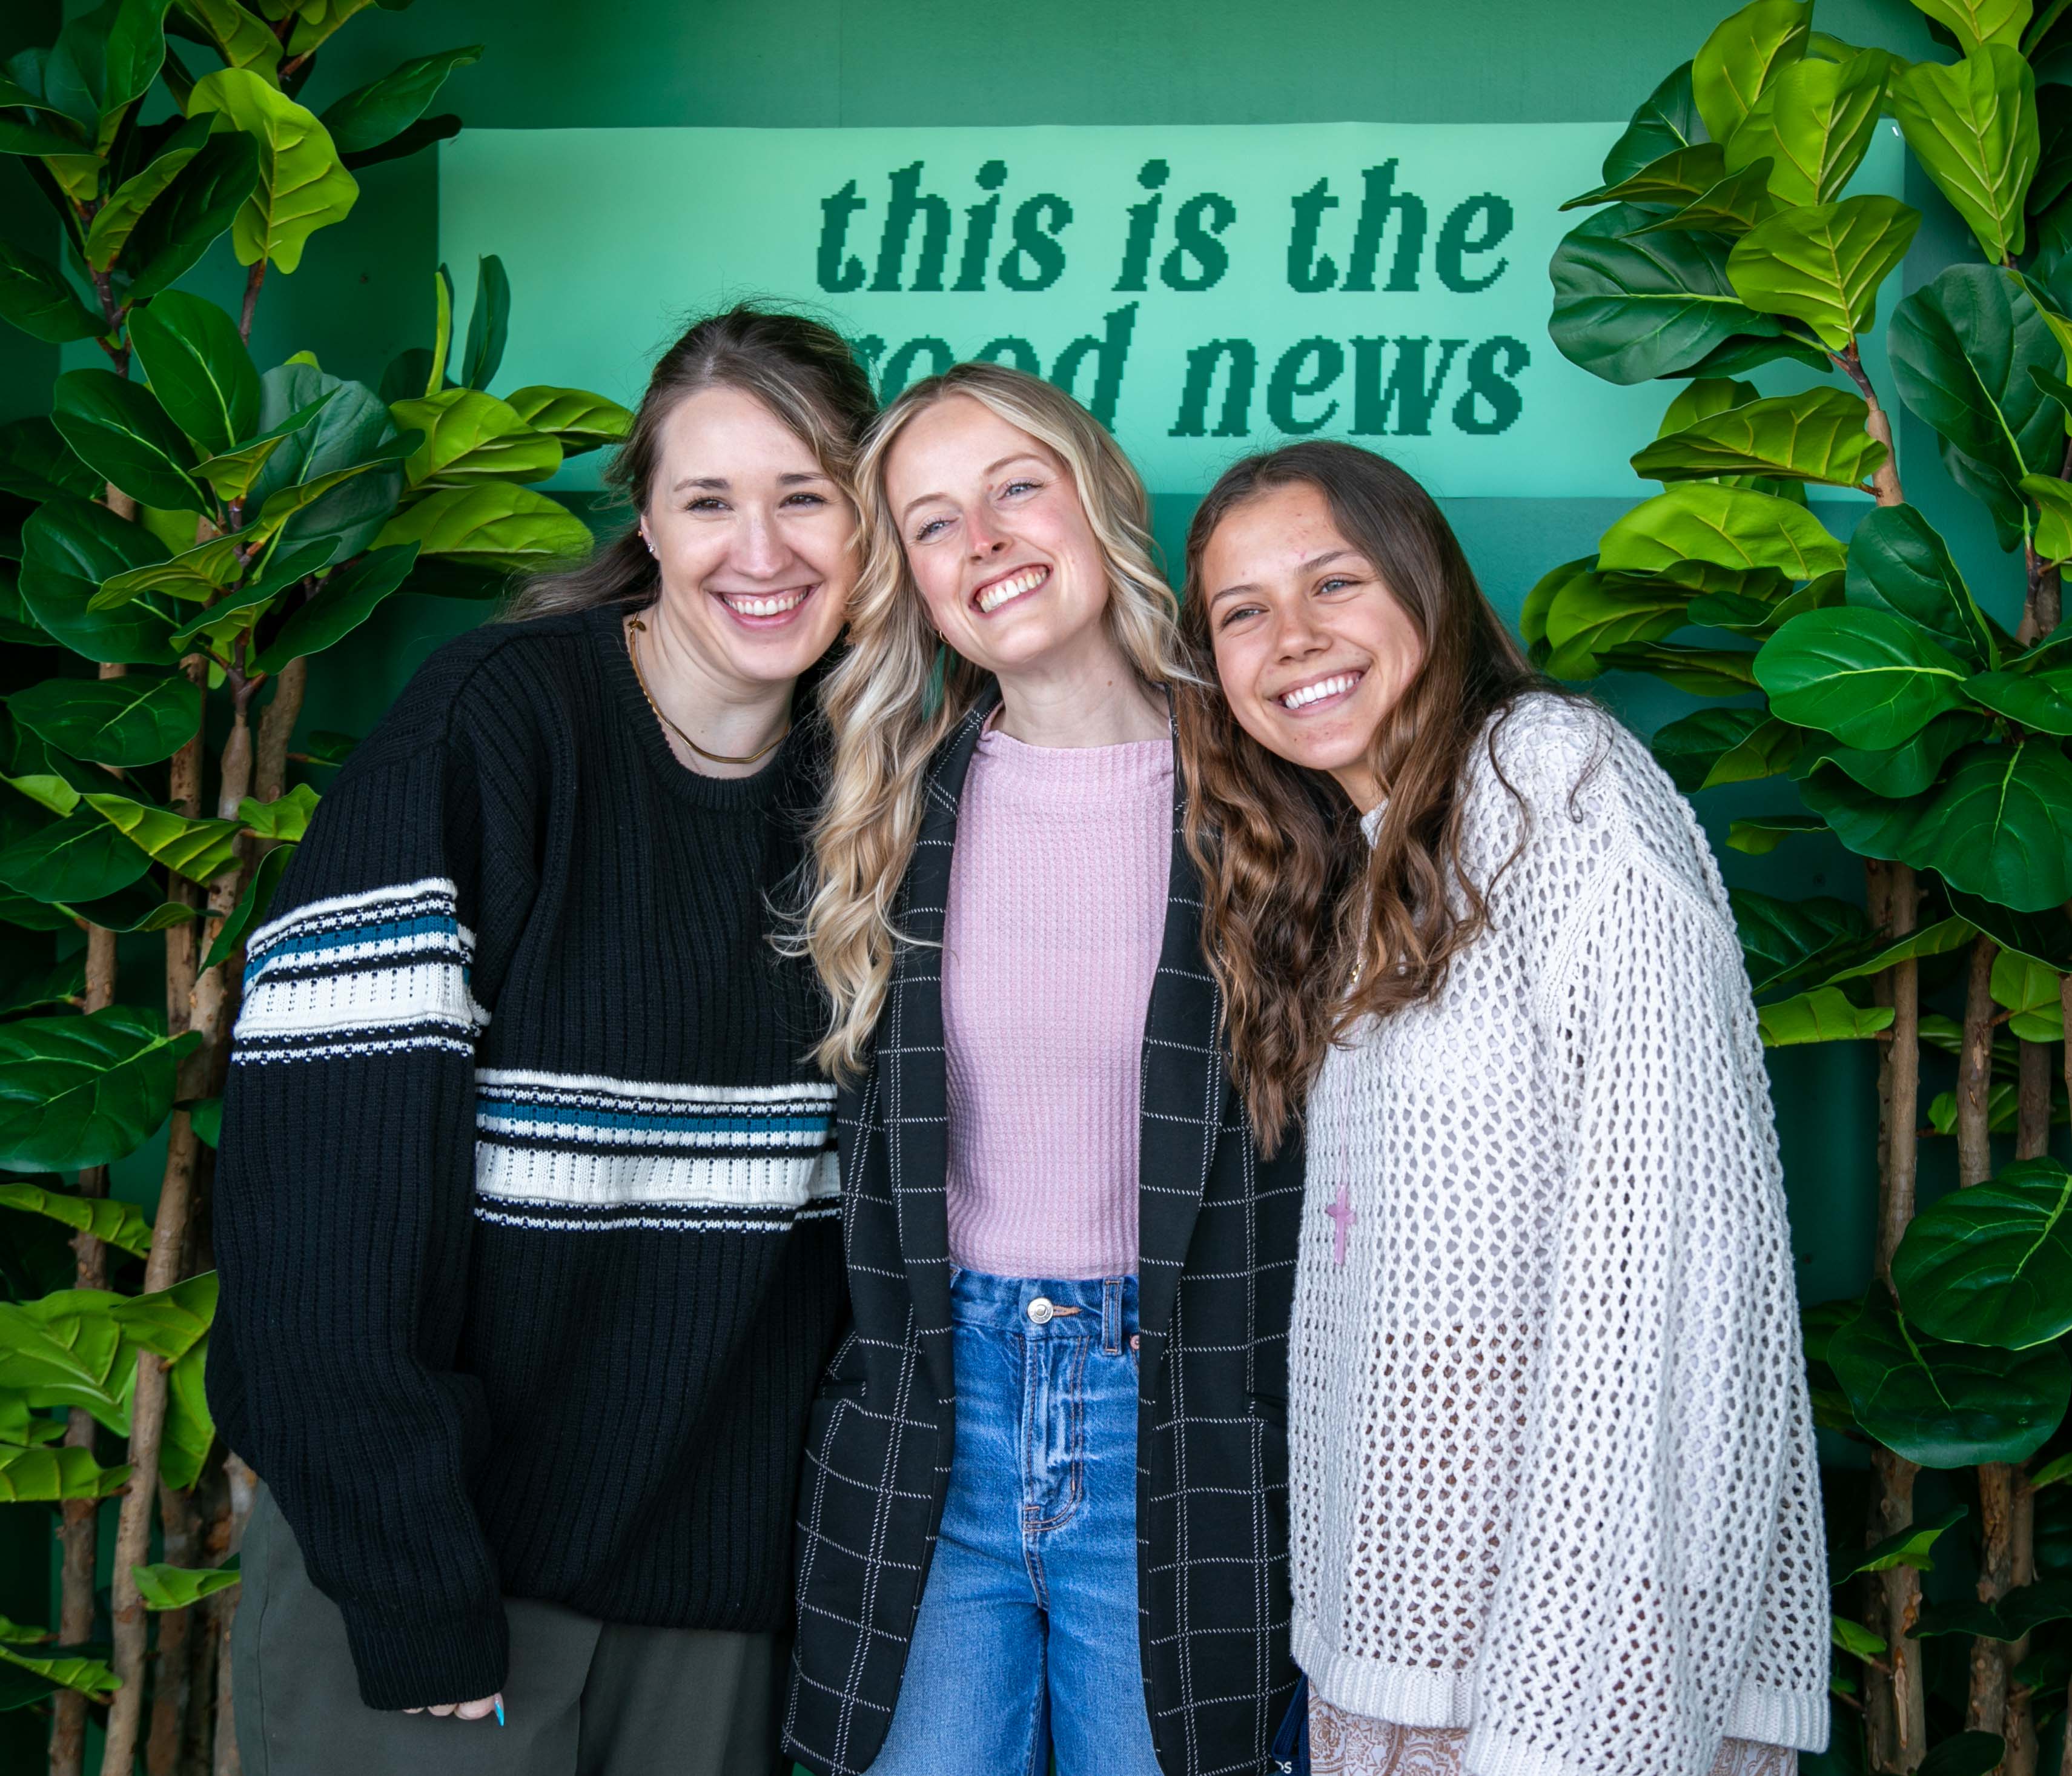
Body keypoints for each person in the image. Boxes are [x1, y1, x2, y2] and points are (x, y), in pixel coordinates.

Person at [208, 305, 875, 1776]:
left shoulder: (872, 792)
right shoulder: (498, 726)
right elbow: (319, 1202)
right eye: (710, 499)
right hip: (442, 1586)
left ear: (869, 517)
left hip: (713, 1612)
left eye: (805, 495)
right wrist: (410, 1576)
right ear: (647, 517)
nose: (758, 550)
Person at [1173, 440, 1828, 1776]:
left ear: (1426, 585)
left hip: (1581, 1683)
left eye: (1332, 582)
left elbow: (1675, 1263)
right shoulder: (1353, 878)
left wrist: (1572, 1716)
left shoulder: (1552, 782)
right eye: (1242, 612)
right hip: (1398, 1664)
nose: (1290, 639)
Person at [782, 362, 1301, 1776]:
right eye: (934, 523)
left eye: (1016, 486)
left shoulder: (1273, 784)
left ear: (1098, 496)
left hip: (1182, 1419)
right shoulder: (889, 805)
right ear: (912, 583)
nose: (987, 540)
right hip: (937, 1414)